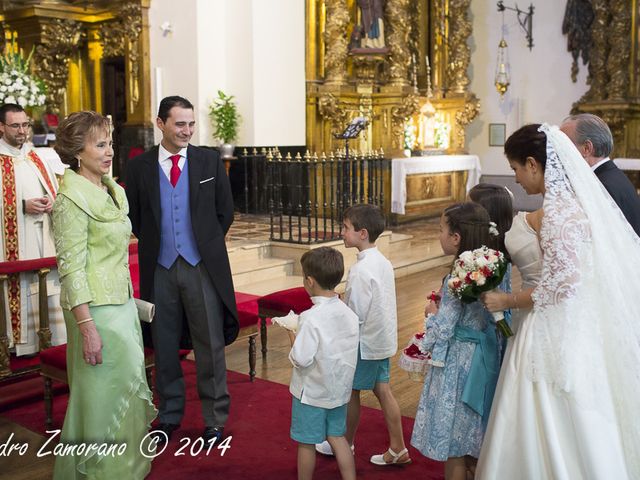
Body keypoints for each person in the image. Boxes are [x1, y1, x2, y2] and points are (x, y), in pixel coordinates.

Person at [476, 124, 640, 479]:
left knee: (544, 410)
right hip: (577, 322)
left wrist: (508, 298)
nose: (517, 179)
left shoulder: (558, 212)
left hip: (552, 328)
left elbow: (562, 286)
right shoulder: (574, 205)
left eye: (517, 168)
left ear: (533, 164)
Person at [126, 95, 238, 445]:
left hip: (200, 267)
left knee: (209, 344)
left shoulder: (208, 161)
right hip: (160, 267)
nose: (187, 130)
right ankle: (169, 414)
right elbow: (137, 217)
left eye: (191, 124)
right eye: (180, 124)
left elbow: (225, 212)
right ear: (161, 124)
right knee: (164, 343)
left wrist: (201, 246)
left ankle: (214, 419)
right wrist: (162, 247)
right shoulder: (139, 167)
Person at [51, 111, 156, 479]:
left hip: (122, 306)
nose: (109, 151)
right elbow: (71, 269)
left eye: (110, 142)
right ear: (78, 151)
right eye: (100, 144)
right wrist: (87, 327)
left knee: (126, 387)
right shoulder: (70, 200)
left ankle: (128, 468)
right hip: (93, 311)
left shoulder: (110, 190)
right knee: (99, 398)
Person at [410, 202, 500, 480]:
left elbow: (445, 328)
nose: (438, 235)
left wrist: (427, 329)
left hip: (457, 364)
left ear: (456, 237)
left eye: (440, 230)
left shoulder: (458, 277)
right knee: (471, 435)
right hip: (481, 356)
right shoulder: (491, 267)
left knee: (453, 444)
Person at [316, 204, 410, 466]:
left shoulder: (360, 270)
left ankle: (345, 443)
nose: (342, 232)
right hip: (381, 337)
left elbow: (355, 313)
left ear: (363, 233)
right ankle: (398, 447)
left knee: (352, 392)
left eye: (346, 228)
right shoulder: (382, 261)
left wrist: (337, 308)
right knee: (383, 390)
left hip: (364, 342)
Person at [0, 103, 65, 356]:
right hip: (15, 242)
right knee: (24, 284)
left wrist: (51, 200)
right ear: (2, 127)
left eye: (25, 124)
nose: (22, 130)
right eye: (15, 125)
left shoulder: (37, 156)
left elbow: (55, 189)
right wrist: (20, 206)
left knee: (48, 285)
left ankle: (51, 341)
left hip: (44, 237)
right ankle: (22, 344)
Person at [289, 247, 359, 480]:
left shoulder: (310, 318)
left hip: (312, 393)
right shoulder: (348, 313)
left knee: (307, 443)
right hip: (339, 390)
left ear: (309, 281)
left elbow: (301, 358)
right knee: (339, 438)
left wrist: (293, 336)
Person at [560, 113, 640, 235]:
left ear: (587, 148)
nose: (559, 152)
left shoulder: (602, 187)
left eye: (564, 145)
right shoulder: (611, 175)